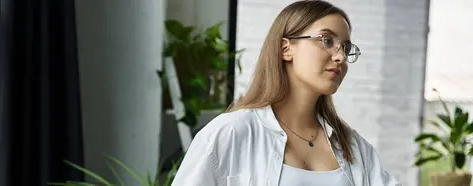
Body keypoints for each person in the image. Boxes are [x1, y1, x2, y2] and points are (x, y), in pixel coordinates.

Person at [171, 0, 401, 185]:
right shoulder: (231, 133)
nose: (340, 56)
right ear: (285, 48)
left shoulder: (353, 147)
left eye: (346, 47)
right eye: (327, 40)